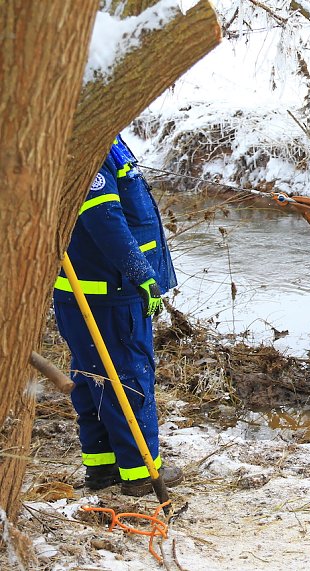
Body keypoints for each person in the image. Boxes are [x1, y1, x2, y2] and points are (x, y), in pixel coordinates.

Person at [53, 134, 182, 496]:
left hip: (82, 292)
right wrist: (142, 273)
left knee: (93, 378)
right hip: (110, 293)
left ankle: (102, 467)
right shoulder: (90, 144)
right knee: (127, 379)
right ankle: (140, 472)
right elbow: (102, 216)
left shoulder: (96, 136)